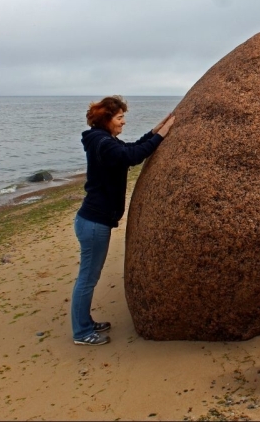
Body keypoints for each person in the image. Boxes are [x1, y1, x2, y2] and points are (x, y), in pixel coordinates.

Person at [71, 95, 175, 346]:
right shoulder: (103, 143)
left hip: (93, 220)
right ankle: (82, 332)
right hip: (94, 223)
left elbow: (129, 149)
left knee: (89, 277)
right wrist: (162, 135)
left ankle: (85, 323)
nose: (123, 122)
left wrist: (154, 131)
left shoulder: (103, 140)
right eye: (119, 118)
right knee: (87, 279)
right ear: (106, 119)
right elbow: (132, 156)